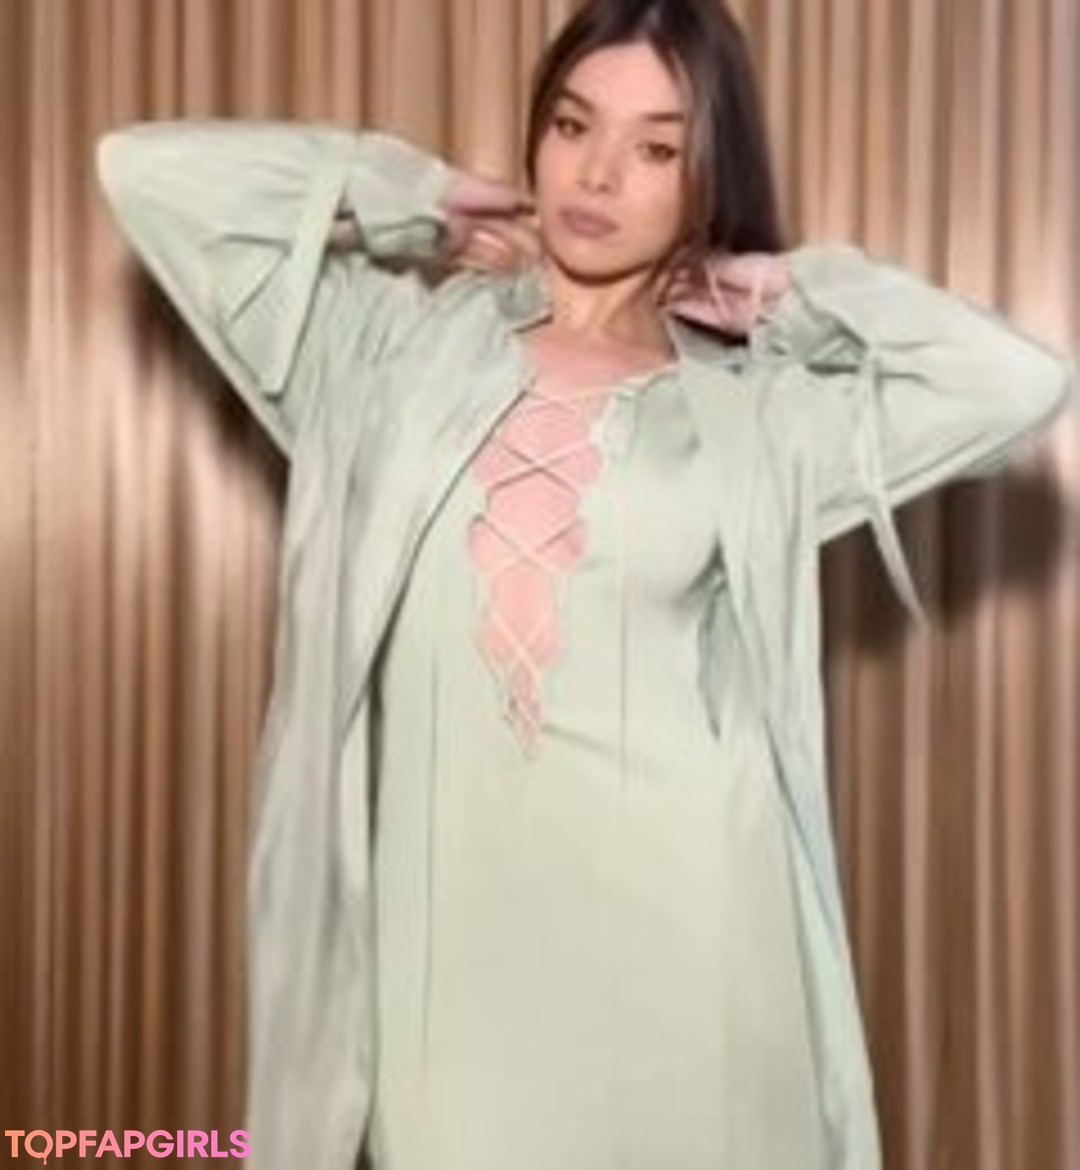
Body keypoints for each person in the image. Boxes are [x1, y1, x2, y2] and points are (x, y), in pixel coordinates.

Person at [95, 1, 1072, 1167]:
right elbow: (140, 174)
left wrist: (786, 295)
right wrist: (403, 198)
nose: (598, 173)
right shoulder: (381, 354)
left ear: (708, 179)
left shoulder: (755, 412)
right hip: (449, 976)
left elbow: (1017, 384)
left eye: (656, 148)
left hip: (697, 962)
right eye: (573, 125)